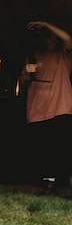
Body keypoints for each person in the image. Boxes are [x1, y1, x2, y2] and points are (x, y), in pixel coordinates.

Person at [19, 20, 72, 194]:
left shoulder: (63, 54)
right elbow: (23, 83)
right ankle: (48, 185)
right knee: (42, 148)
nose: (47, 38)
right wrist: (27, 72)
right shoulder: (33, 55)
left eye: (50, 35)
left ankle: (57, 183)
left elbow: (68, 39)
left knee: (58, 146)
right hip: (38, 107)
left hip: (59, 106)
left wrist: (45, 24)